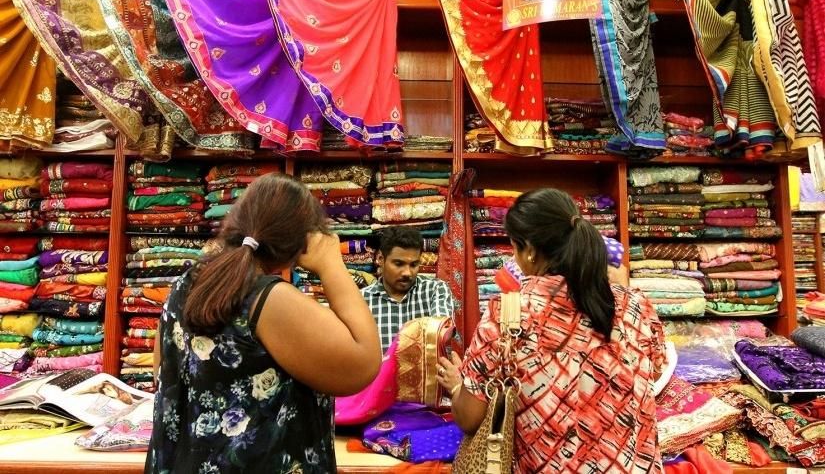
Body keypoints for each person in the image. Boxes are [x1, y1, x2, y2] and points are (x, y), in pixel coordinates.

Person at [146, 174, 381, 474]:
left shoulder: (187, 284)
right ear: (301, 241)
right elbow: (364, 362)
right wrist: (331, 263)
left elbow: (161, 369)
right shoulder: (269, 299)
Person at [437, 188, 664, 473]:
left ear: (529, 250)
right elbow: (655, 370)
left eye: (514, 248)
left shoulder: (508, 314)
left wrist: (457, 385)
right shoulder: (635, 304)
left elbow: (471, 417)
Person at [362, 227, 457, 353]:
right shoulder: (362, 300)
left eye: (413, 265)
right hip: (377, 373)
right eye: (398, 264)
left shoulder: (435, 290)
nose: (407, 273)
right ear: (380, 259)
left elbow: (441, 332)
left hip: (426, 372)